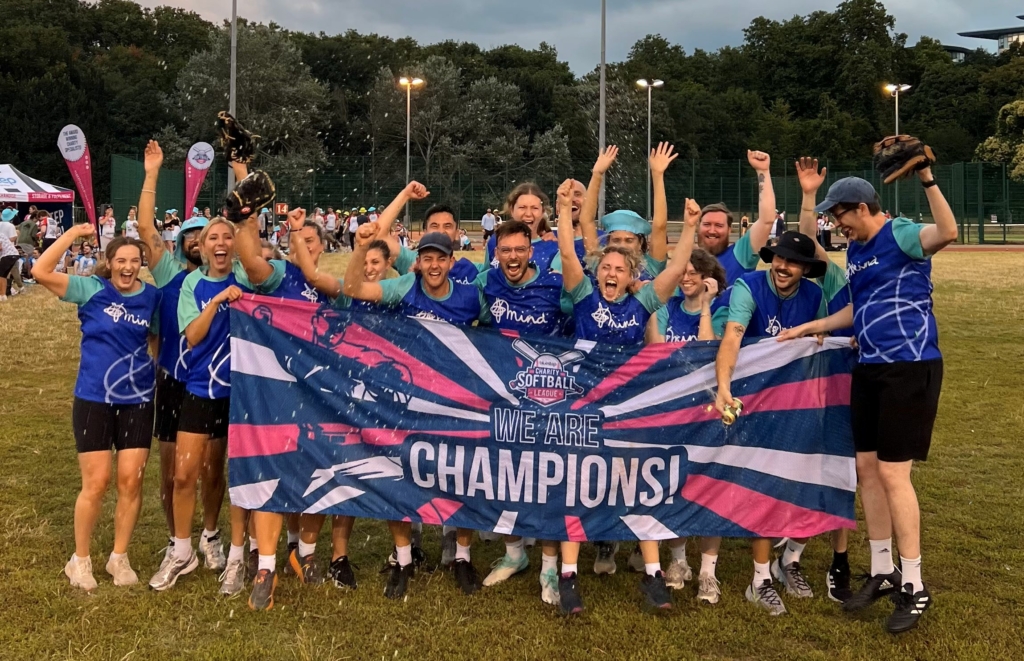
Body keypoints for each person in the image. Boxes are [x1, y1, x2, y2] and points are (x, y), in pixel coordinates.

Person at [779, 165, 958, 633]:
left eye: (841, 217)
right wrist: (811, 327)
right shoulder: (856, 251)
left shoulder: (900, 233)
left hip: (910, 365)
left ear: (862, 208)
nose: (837, 226)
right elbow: (859, 307)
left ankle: (914, 585)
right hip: (871, 367)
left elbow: (949, 231)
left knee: (895, 475)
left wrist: (927, 177)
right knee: (866, 471)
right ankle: (882, 570)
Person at [556, 179, 699, 615]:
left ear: (630, 274)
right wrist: (563, 209)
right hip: (581, 407)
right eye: (606, 267)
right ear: (597, 272)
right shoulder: (581, 296)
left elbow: (674, 272)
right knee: (574, 489)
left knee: (639, 488)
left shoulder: (642, 304)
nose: (611, 274)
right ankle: (567, 577)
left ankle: (654, 577)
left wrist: (689, 227)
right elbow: (566, 253)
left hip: (626, 409)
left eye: (619, 268)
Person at [342, 225, 486, 599]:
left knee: (461, 475)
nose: (434, 265)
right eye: (427, 258)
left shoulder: (471, 297)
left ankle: (463, 556)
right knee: (398, 474)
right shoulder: (406, 288)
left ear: (452, 262)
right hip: (406, 399)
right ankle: (403, 559)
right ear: (417, 263)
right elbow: (353, 289)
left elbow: (495, 333)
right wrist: (359, 249)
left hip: (456, 401)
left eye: (441, 258)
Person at [713, 229, 850, 616]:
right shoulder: (748, 286)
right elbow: (732, 339)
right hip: (755, 400)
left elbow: (824, 342)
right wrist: (724, 387)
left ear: (806, 268)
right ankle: (759, 580)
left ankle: (789, 559)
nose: (782, 266)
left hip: (800, 401)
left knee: (811, 480)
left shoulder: (815, 296)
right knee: (765, 486)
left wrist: (821, 337)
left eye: (792, 261)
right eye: (777, 257)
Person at [233, 204, 354, 611]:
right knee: (270, 469)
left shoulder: (332, 285)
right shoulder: (281, 276)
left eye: (311, 240)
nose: (304, 245)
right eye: (298, 240)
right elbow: (249, 260)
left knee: (318, 472)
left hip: (320, 397)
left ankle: (304, 552)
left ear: (322, 247)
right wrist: (245, 212)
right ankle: (266, 566)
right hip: (273, 395)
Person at [32, 222, 160, 590]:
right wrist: (72, 235)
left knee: (131, 481)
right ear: (108, 261)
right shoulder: (91, 289)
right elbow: (40, 272)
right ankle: (81, 559)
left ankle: (119, 557)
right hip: (93, 398)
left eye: (135, 261)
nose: (128, 267)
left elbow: (154, 339)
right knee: (97, 482)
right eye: (121, 260)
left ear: (141, 264)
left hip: (138, 399)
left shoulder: (151, 297)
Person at [148, 213, 260, 594]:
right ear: (203, 246)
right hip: (200, 389)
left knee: (225, 476)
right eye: (213, 238)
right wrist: (215, 301)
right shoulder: (191, 284)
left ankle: (225, 549)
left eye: (227, 237)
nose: (220, 244)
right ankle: (181, 552)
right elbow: (193, 336)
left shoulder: (245, 276)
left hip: (242, 392)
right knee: (184, 475)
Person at [132, 141, 228, 580]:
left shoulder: (225, 275)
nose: (194, 241)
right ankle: (177, 542)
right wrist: (152, 173)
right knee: (173, 470)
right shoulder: (171, 273)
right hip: (174, 381)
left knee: (214, 468)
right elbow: (145, 226)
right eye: (188, 235)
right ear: (180, 242)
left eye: (202, 234)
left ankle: (210, 535)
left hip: (217, 381)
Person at [473, 219, 574, 604]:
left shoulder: (552, 285)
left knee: (548, 481)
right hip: (500, 397)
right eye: (505, 250)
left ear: (531, 251)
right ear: (495, 253)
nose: (512, 257)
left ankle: (549, 565)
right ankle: (515, 553)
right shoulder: (486, 283)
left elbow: (581, 307)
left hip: (549, 400)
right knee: (500, 476)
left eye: (519, 249)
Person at [696, 152, 777, 285]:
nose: (712, 230)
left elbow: (767, 220)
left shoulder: (740, 254)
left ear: (729, 230)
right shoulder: (687, 260)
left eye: (719, 225)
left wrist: (763, 171)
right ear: (698, 227)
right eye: (707, 224)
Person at [0, 228, 20, 301]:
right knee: (3, 276)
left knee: (1, 275)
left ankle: (1, 294)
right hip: (13, 254)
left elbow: (0, 247)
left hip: (8, 255)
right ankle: (3, 295)